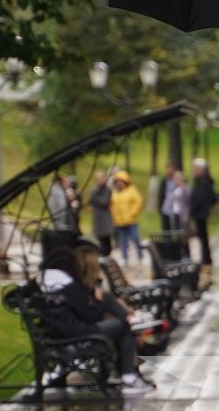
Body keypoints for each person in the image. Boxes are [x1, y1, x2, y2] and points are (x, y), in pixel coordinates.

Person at [36, 245, 149, 395]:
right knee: (125, 325)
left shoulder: (47, 284)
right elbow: (90, 316)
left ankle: (130, 322)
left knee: (120, 319)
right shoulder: (69, 287)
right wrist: (98, 302)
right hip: (78, 337)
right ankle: (128, 377)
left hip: (61, 336)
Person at [108, 168, 144, 263]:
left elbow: (138, 201)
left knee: (135, 238)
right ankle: (125, 258)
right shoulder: (114, 192)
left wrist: (133, 213)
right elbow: (111, 205)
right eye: (118, 181)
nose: (120, 183)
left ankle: (140, 256)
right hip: (119, 222)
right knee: (123, 241)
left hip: (131, 221)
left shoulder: (132, 190)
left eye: (121, 181)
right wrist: (113, 216)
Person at [188, 158, 218, 268]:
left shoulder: (203, 182)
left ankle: (206, 259)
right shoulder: (201, 181)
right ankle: (205, 258)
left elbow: (201, 198)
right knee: (202, 238)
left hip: (200, 214)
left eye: (195, 169)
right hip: (200, 213)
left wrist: (193, 210)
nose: (194, 171)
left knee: (203, 238)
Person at [86, 169, 114, 256]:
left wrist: (96, 199)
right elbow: (91, 200)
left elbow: (104, 202)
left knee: (106, 238)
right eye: (98, 178)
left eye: (101, 178)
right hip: (97, 216)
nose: (99, 180)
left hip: (105, 216)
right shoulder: (94, 190)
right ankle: (103, 254)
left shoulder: (107, 190)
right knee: (100, 238)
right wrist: (96, 199)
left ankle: (107, 253)